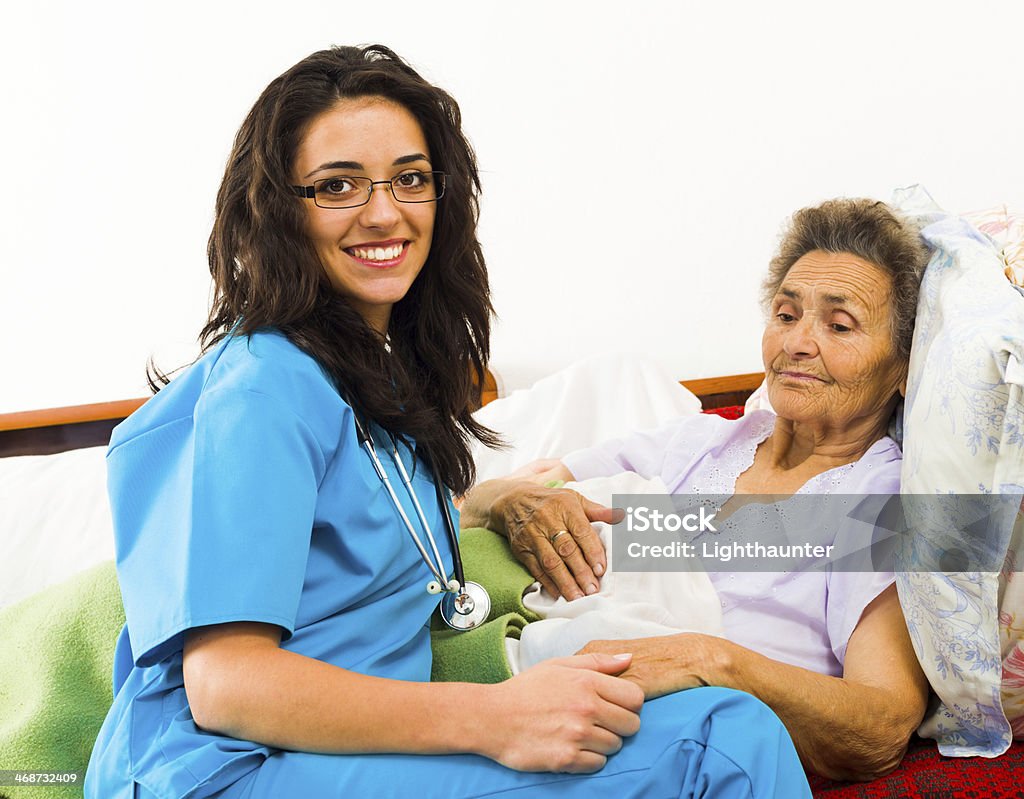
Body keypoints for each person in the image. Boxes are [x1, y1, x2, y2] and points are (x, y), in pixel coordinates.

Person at [84, 45, 811, 799]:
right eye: (338, 185)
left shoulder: (374, 378)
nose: (384, 211)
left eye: (410, 178)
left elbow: (349, 536)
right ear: (277, 210)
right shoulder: (261, 388)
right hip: (226, 766)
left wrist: (490, 497)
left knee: (714, 719)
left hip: (327, 754)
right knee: (720, 738)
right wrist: (496, 715)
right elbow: (226, 683)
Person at [462, 198, 933, 783]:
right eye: (786, 316)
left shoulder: (884, 501)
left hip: (667, 741)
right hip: (534, 672)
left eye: (838, 326)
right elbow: (482, 501)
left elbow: (883, 725)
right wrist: (512, 502)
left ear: (905, 367)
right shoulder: (702, 442)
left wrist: (709, 661)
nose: (797, 343)